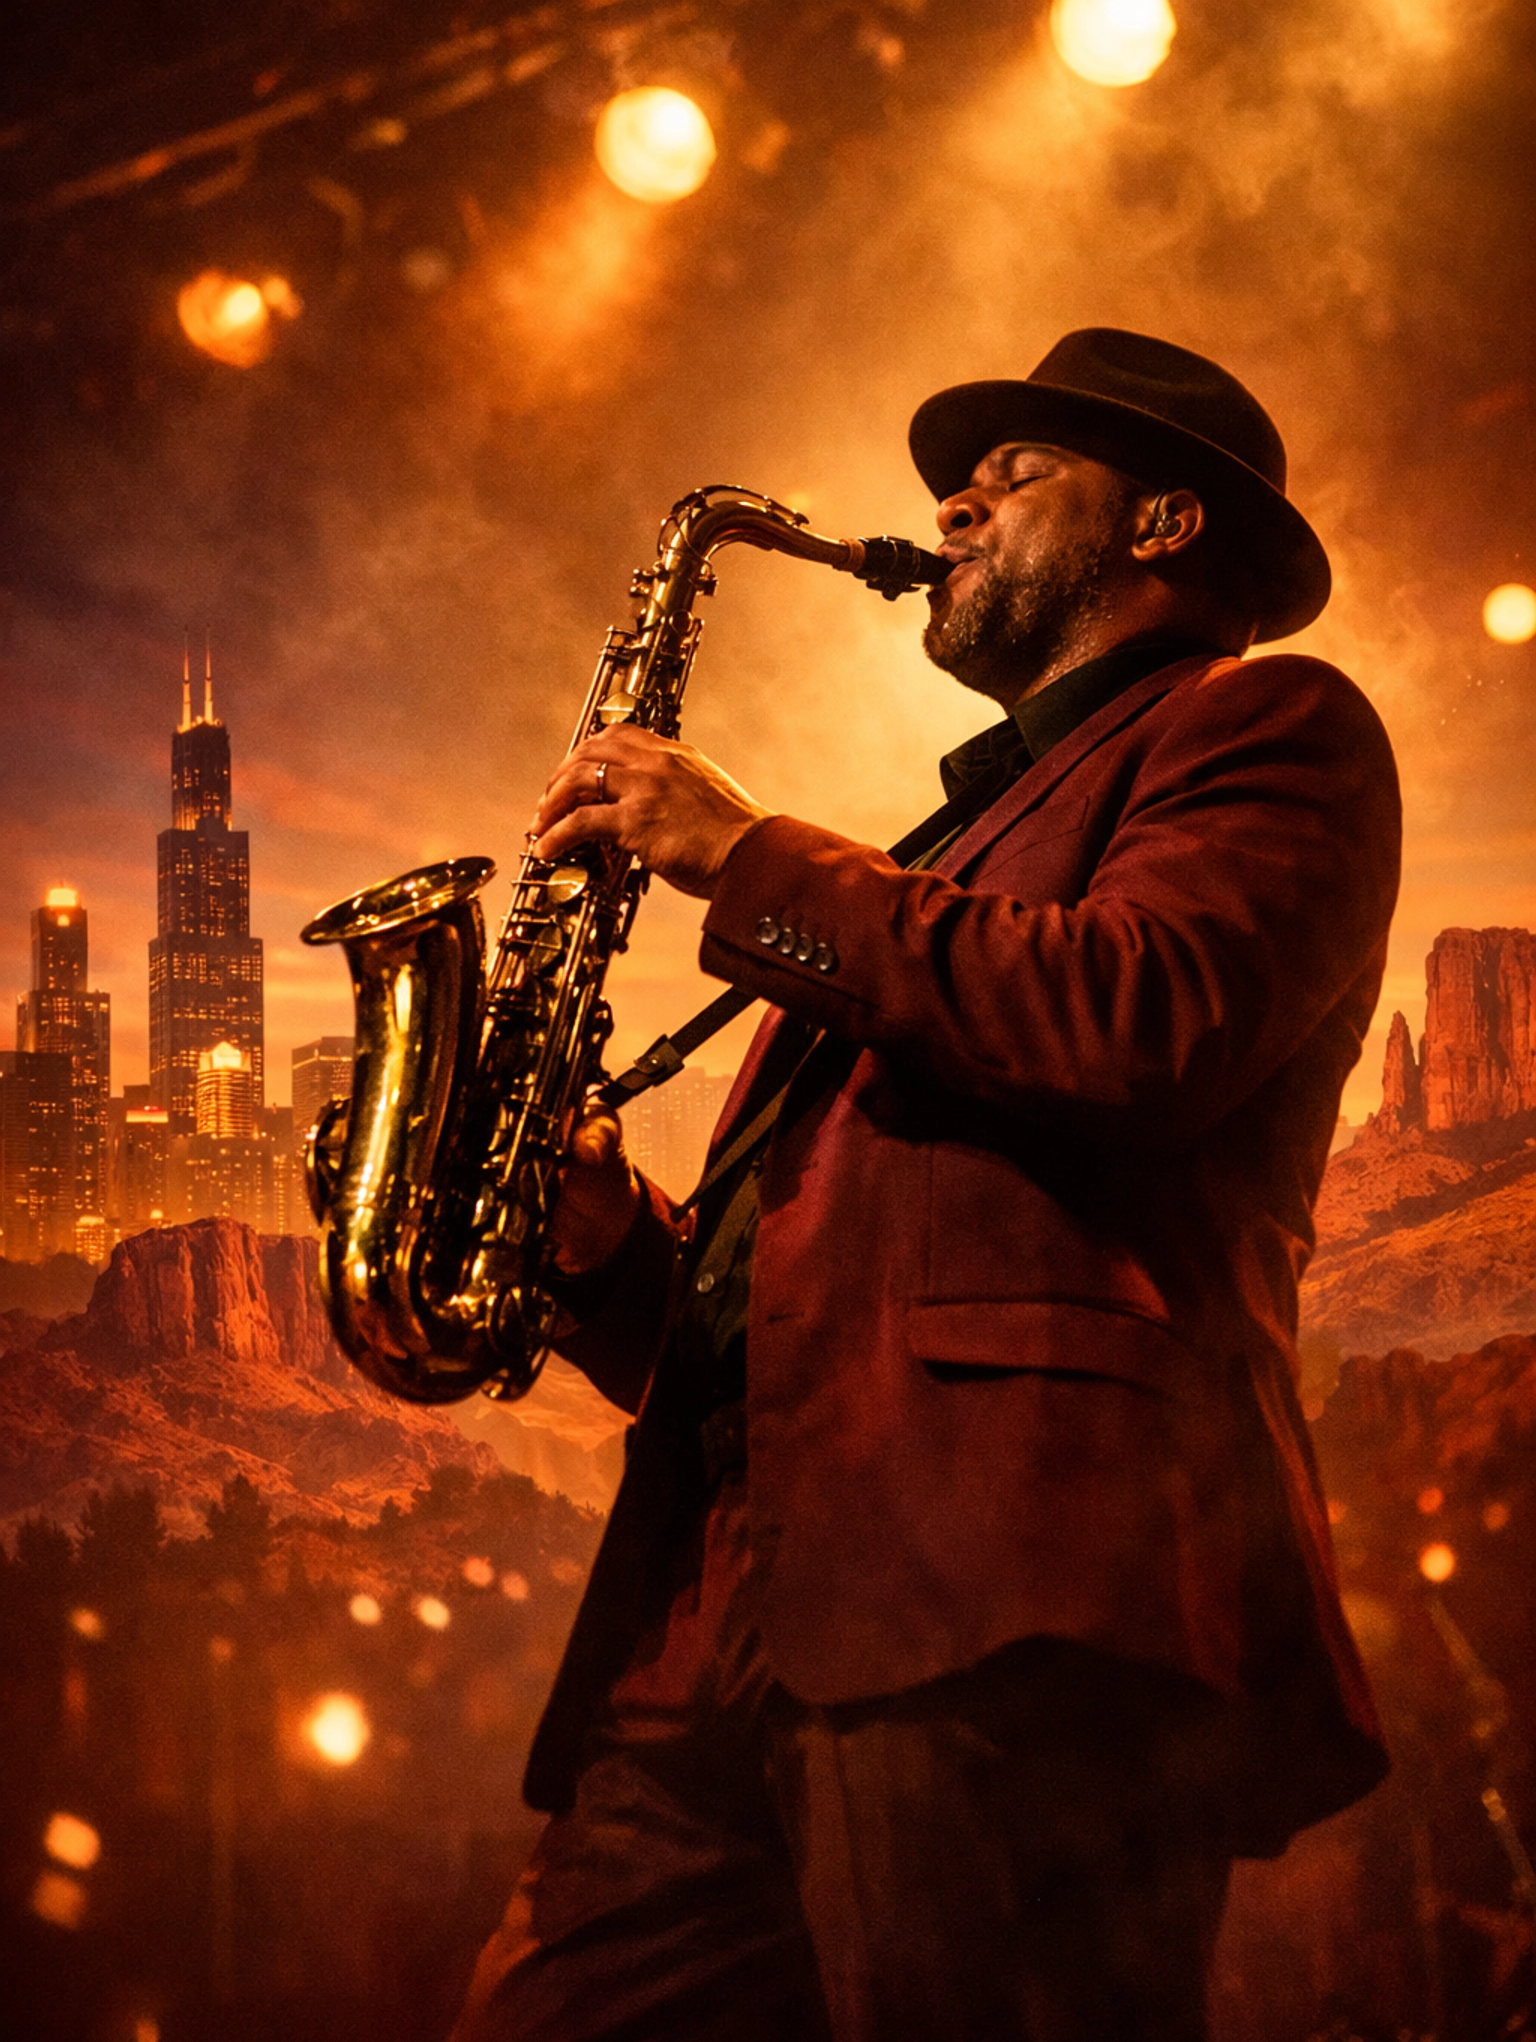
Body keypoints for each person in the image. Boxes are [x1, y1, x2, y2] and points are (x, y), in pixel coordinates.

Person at [450, 328, 1402, 2042]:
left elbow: (1141, 1021)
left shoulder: (1273, 726)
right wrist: (615, 1258)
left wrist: (745, 852)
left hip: (1009, 1615)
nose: (951, 505)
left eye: (1016, 474)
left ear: (1167, 526)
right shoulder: (932, 865)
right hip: (718, 1639)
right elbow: (816, 1303)